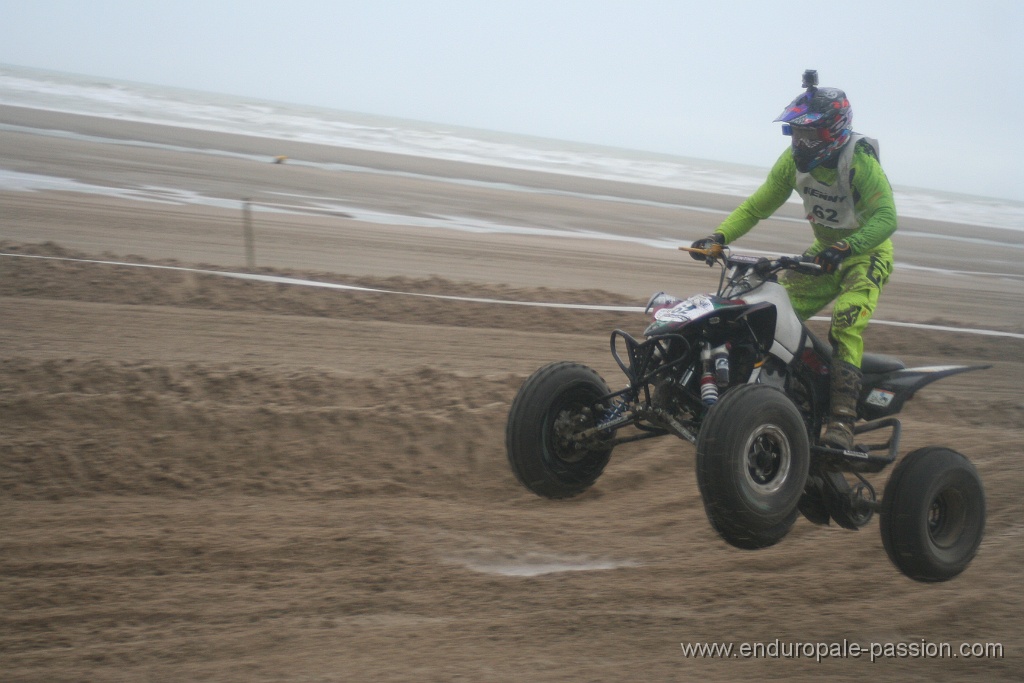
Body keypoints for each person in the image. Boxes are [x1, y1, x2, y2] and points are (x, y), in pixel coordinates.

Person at [690, 70, 897, 450]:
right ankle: (783, 396)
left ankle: (842, 422)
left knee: (846, 321)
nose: (799, 142)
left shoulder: (860, 163)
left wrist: (849, 248)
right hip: (826, 252)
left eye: (808, 134)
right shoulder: (791, 163)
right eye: (794, 133)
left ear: (833, 131)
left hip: (866, 254)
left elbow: (887, 218)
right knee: (772, 311)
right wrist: (719, 237)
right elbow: (757, 206)